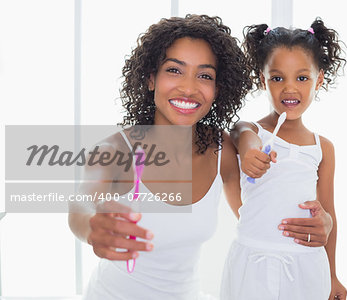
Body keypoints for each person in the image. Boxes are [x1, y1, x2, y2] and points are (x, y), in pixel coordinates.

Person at [68, 15, 333, 300]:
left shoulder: (222, 151)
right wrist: (91, 227)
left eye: (204, 75)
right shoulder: (114, 150)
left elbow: (261, 217)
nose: (189, 88)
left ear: (218, 89)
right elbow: (81, 203)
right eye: (174, 70)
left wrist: (323, 224)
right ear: (150, 78)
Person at [220, 19, 347, 300]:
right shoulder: (251, 132)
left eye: (302, 78)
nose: (290, 88)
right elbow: (241, 132)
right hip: (251, 263)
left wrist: (333, 275)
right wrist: (250, 148)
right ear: (263, 80)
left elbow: (329, 215)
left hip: (306, 266)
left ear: (320, 79)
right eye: (277, 78)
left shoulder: (323, 148)